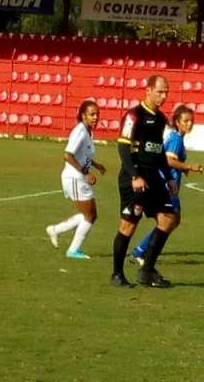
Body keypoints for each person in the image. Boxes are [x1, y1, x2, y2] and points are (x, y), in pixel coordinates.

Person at [110, 75, 180, 288]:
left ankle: (147, 270)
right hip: (135, 178)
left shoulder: (160, 119)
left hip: (154, 179)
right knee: (128, 225)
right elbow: (123, 147)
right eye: (160, 91)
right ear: (148, 90)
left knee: (169, 218)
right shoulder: (133, 115)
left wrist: (169, 177)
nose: (164, 96)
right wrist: (134, 176)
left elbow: (159, 151)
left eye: (166, 92)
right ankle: (117, 274)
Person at [131, 105, 203, 264]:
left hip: (168, 184)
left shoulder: (176, 137)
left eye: (192, 121)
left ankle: (141, 251)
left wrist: (182, 168)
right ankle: (141, 252)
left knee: (172, 221)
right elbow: (169, 160)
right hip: (166, 186)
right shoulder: (176, 139)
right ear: (177, 122)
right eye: (186, 120)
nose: (189, 124)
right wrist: (188, 166)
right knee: (169, 222)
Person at [46, 100, 107, 259]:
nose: (96, 117)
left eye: (97, 114)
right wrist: (86, 173)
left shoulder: (88, 131)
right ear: (83, 115)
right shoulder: (79, 131)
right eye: (92, 114)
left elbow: (83, 155)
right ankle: (72, 250)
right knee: (90, 216)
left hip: (79, 177)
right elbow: (67, 155)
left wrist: (96, 165)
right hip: (74, 177)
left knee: (90, 214)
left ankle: (56, 230)